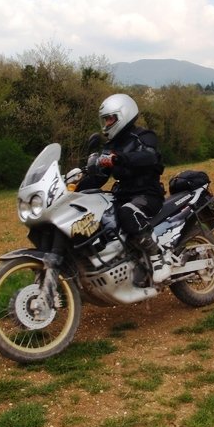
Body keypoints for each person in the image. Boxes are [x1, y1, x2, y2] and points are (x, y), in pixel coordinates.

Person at [77, 93, 171, 286]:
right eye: (105, 120)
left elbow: (149, 157)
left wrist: (119, 158)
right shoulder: (110, 146)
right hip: (122, 195)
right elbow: (99, 178)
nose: (106, 124)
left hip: (147, 194)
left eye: (110, 119)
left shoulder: (144, 137)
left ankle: (158, 256)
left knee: (128, 213)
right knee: (100, 218)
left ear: (123, 115)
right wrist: (73, 187)